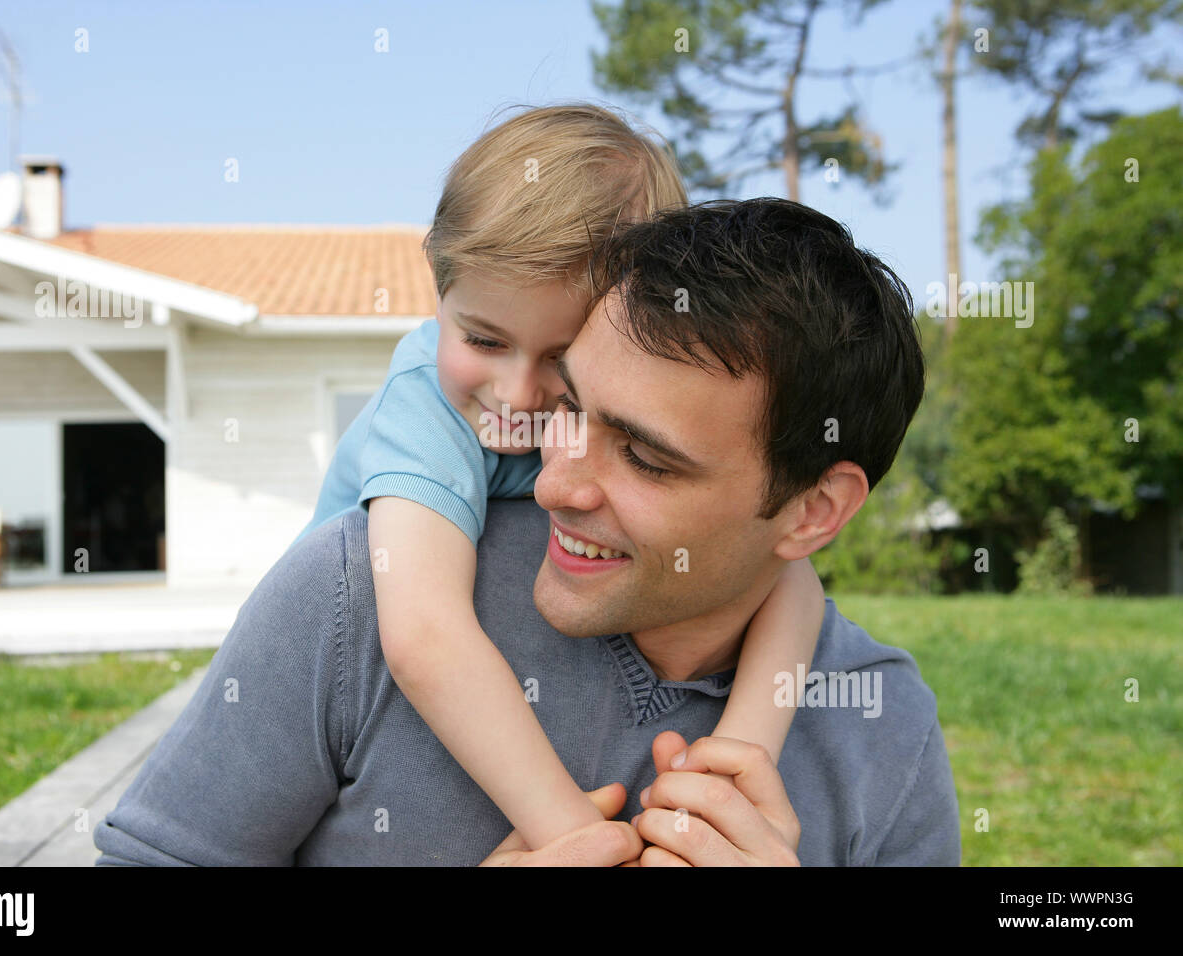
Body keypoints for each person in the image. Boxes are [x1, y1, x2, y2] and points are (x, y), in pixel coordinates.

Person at [94, 196, 959, 866]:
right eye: (569, 408)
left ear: (814, 511)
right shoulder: (359, 588)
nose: (553, 483)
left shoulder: (884, 725)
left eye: (645, 459)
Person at [282, 104, 823, 851]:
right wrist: (573, 836)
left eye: (561, 359)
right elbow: (423, 637)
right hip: (316, 672)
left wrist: (730, 774)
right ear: (438, 286)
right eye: (483, 339)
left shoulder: (610, 410)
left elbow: (794, 580)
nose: (516, 394)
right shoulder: (425, 404)